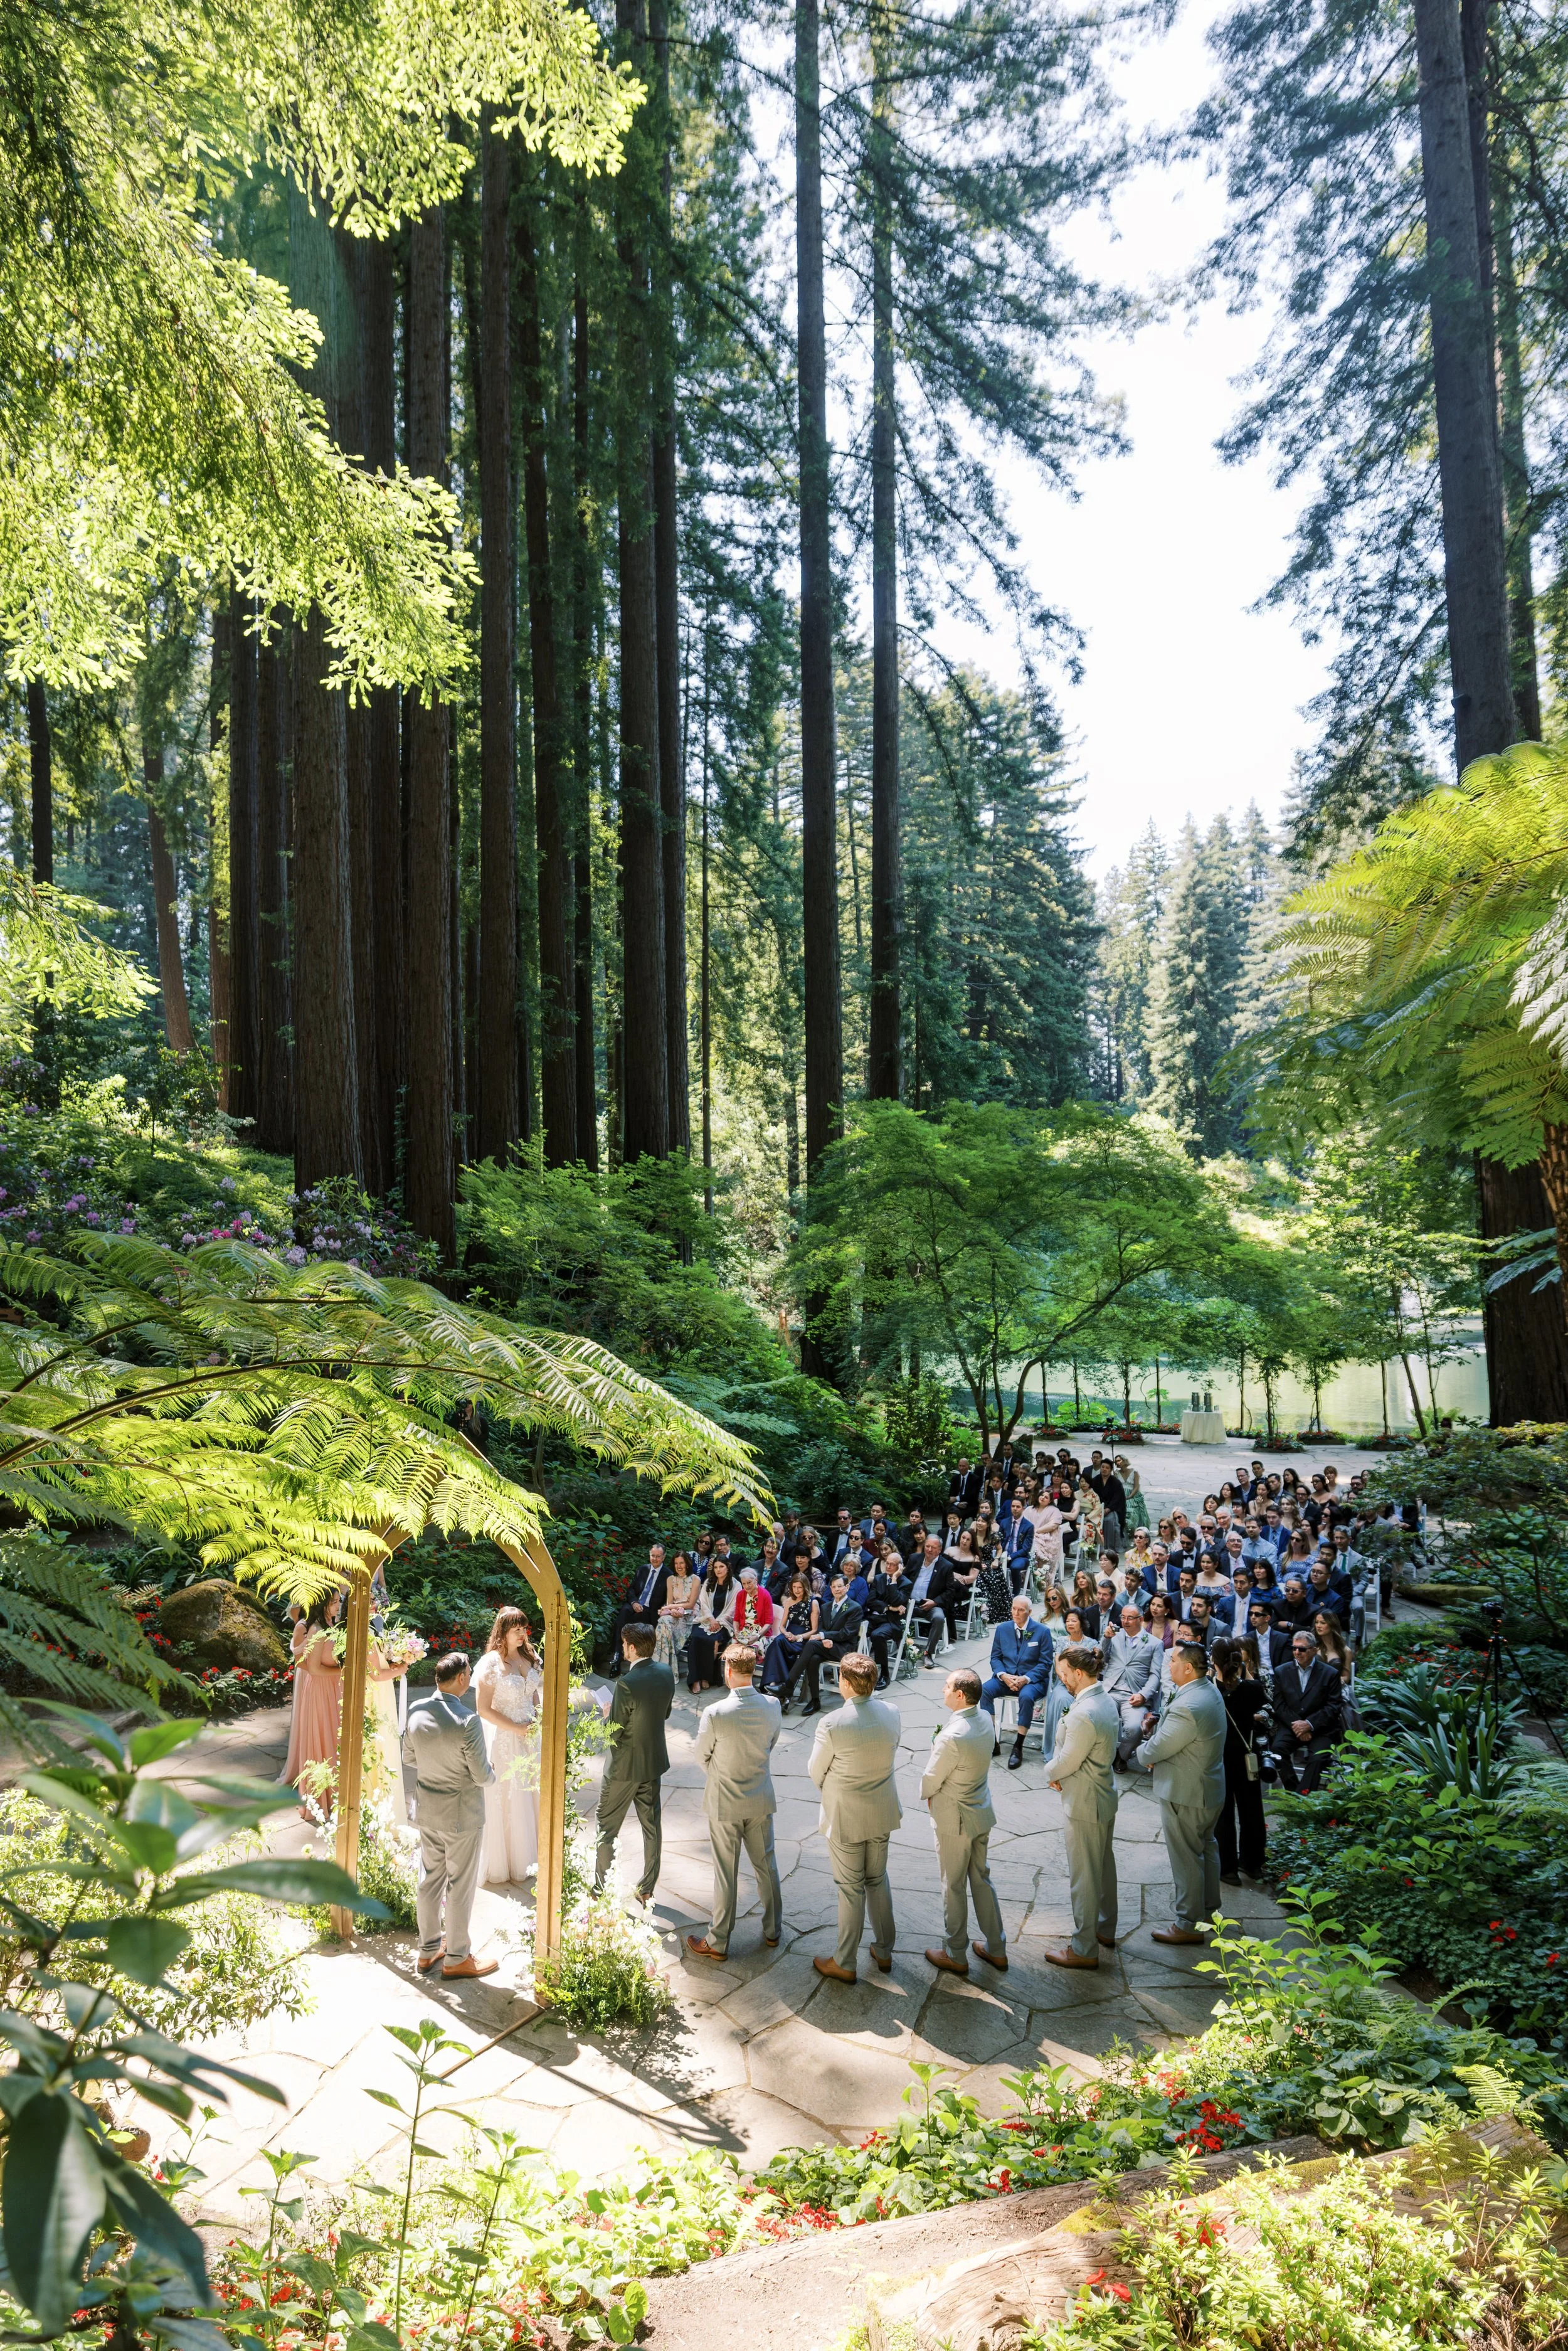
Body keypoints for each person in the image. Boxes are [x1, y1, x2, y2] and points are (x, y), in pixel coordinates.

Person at [807, 1652, 902, 1982]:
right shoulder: (892, 1712)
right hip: (882, 1810)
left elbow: (815, 1772)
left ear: (845, 1683)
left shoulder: (832, 1723)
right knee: (877, 1879)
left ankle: (845, 1962)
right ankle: (885, 1950)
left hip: (846, 1816)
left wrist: (833, 1788)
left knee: (850, 1888)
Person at [402, 1652, 497, 1979]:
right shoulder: (468, 1721)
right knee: (460, 1885)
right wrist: (493, 1772)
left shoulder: (416, 1710)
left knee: (429, 1880)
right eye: (469, 1673)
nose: (470, 1678)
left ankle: (428, 1951)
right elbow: (483, 1777)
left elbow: (409, 1757)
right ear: (461, 1679)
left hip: (428, 1810)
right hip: (462, 1815)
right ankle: (457, 1957)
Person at [687, 1643, 783, 1961]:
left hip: (725, 1802)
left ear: (728, 1671)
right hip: (759, 1798)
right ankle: (773, 1931)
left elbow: (702, 1756)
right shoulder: (773, 1705)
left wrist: (720, 1772)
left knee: (726, 1872)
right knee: (766, 1866)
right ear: (752, 1670)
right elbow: (770, 1743)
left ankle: (718, 1942)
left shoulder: (716, 1713)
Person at [1131, 1635, 1226, 1945]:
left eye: (1172, 1661)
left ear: (1187, 1668)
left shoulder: (1190, 1704)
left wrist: (1142, 1753)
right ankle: (1210, 1913)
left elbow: (1161, 1746)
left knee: (1186, 1857)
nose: (1168, 1664)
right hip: (1207, 1788)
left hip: (1187, 1793)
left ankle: (1187, 1923)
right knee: (1206, 1848)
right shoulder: (1208, 1691)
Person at [921, 1667, 1007, 1977]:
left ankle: (956, 1953)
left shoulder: (952, 1736)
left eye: (946, 1686)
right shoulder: (984, 1718)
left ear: (960, 1695)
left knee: (953, 1885)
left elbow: (931, 1779)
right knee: (982, 1880)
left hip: (954, 1821)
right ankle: (997, 1948)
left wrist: (927, 1795)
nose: (942, 1690)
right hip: (981, 1812)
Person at [1042, 1641, 1120, 1968]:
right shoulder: (1104, 1700)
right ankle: (1104, 1928)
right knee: (1102, 1868)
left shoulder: (1084, 1713)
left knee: (1084, 1877)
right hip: (1101, 1794)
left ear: (1078, 1673)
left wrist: (1051, 1772)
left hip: (1085, 1801)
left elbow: (1068, 1760)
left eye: (1063, 1674)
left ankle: (1084, 1948)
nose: (1061, 1680)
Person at [595, 1621, 675, 1906]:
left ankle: (599, 1890)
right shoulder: (667, 1672)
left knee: (607, 1827)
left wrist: (606, 1714)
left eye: (624, 1644)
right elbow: (664, 1714)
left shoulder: (626, 1684)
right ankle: (647, 1888)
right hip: (652, 1763)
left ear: (631, 1647)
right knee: (652, 1827)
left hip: (624, 1768)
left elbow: (613, 1731)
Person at [474, 1607, 541, 1886]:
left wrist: (538, 1718)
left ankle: (535, 1854)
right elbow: (482, 1709)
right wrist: (516, 1729)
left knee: (532, 1792)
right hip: (505, 1738)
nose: (523, 1634)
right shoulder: (491, 1664)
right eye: (517, 1630)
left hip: (532, 1736)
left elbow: (534, 1693)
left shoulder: (530, 1656)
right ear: (503, 1632)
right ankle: (509, 1860)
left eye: (524, 1629)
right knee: (510, 1796)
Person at [1212, 1636, 1268, 1885]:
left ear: (1214, 1661)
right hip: (1248, 1756)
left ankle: (1227, 1869)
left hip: (1220, 1755)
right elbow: (1261, 1699)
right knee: (1252, 1810)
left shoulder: (1211, 1689)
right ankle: (1252, 1863)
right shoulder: (1252, 1689)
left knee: (1224, 1814)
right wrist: (1244, 1670)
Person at [280, 1591, 344, 1812]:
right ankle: (320, 1794)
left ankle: (335, 1789)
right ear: (323, 1603)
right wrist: (343, 1670)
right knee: (323, 1733)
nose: (338, 1606)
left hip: (333, 1687)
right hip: (319, 1689)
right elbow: (312, 1668)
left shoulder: (331, 1625)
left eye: (339, 1601)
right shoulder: (314, 1629)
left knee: (334, 1735)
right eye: (334, 1602)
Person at [980, 1594, 1055, 1770]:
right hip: (1006, 1678)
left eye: (1021, 1610)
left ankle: (1018, 1746)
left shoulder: (1042, 1632)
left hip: (1032, 1681)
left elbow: (1046, 1664)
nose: (1016, 1613)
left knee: (1027, 1697)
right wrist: (1003, 1675)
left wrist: (1025, 1679)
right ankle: (992, 1740)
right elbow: (996, 1658)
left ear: (1029, 1612)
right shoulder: (1002, 1629)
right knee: (984, 1690)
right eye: (1014, 1608)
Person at [1271, 1630, 1345, 1790]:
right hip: (1291, 1725)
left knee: (1318, 1758)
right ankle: (1294, 1793)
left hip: (1321, 1728)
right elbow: (1279, 1704)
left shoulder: (1330, 1674)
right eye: (1294, 1648)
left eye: (1302, 1649)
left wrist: (1309, 1724)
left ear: (1314, 1650)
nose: (1297, 1652)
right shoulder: (1281, 1671)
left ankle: (1303, 1795)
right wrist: (1298, 1725)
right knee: (1277, 1750)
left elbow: (1334, 1706)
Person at [781, 1571, 863, 1714]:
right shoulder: (826, 1606)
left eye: (840, 1586)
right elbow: (821, 1628)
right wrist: (824, 1639)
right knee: (813, 1658)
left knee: (812, 1644)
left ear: (847, 1587)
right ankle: (815, 1701)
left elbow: (847, 1633)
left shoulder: (854, 1607)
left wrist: (824, 1637)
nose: (837, 1589)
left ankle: (788, 1685)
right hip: (826, 1647)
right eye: (833, 1587)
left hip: (844, 1649)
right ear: (830, 1589)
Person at [1101, 1600, 1163, 1765]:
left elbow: (1156, 1675)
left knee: (1135, 1729)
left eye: (1130, 1618)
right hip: (1111, 1691)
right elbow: (1102, 1660)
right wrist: (1106, 1639)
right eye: (1123, 1617)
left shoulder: (1155, 1644)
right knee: (1095, 1716)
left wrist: (1143, 1695)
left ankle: (1122, 1755)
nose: (1125, 1621)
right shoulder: (1114, 1637)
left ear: (1141, 1620)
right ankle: (1100, 1753)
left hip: (1135, 1695)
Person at [607, 1543, 669, 1667]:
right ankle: (618, 1654)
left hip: (651, 1610)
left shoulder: (668, 1575)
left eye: (658, 1556)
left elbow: (667, 1599)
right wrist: (634, 1602)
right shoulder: (642, 1569)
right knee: (624, 1613)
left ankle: (630, 1658)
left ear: (663, 1557)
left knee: (637, 1620)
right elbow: (631, 1590)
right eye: (653, 1556)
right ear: (649, 1555)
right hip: (636, 1604)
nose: (655, 1559)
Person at [761, 1569, 818, 1693]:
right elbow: (782, 1626)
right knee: (777, 1643)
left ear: (805, 1587)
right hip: (788, 1635)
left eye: (800, 1588)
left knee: (777, 1644)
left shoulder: (813, 1602)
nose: (797, 1590)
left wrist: (798, 1637)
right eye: (794, 1587)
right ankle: (777, 1683)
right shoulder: (789, 1602)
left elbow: (815, 1630)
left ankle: (775, 1683)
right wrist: (786, 1633)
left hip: (803, 1638)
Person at [686, 1557, 739, 1692]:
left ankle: (706, 1677)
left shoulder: (736, 1585)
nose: (718, 1570)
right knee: (697, 1638)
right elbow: (703, 1604)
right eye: (716, 1567)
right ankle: (696, 1679)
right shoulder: (709, 1582)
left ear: (728, 1567)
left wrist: (719, 1622)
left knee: (713, 1641)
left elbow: (733, 1608)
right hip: (706, 1619)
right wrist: (711, 1620)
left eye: (721, 1567)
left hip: (724, 1622)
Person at [653, 1550, 701, 1675]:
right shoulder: (670, 1579)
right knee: (664, 1621)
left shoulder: (696, 1579)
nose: (679, 1566)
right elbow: (669, 1601)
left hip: (689, 1615)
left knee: (664, 1624)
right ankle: (667, 1669)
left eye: (682, 1563)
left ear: (688, 1564)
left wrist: (672, 1608)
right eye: (676, 1563)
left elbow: (691, 1604)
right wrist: (673, 1610)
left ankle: (660, 1667)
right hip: (673, 1614)